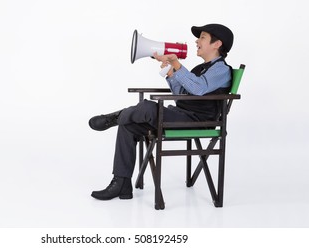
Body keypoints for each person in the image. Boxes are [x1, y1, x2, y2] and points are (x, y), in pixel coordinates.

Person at [88, 23, 234, 201]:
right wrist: (171, 72)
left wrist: (177, 64)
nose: (197, 41)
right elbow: (181, 95)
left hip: (198, 121)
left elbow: (198, 88)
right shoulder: (199, 69)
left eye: (202, 37)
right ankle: (121, 184)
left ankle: (113, 118)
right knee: (128, 126)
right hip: (181, 115)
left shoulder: (221, 69)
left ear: (217, 44)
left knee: (148, 107)